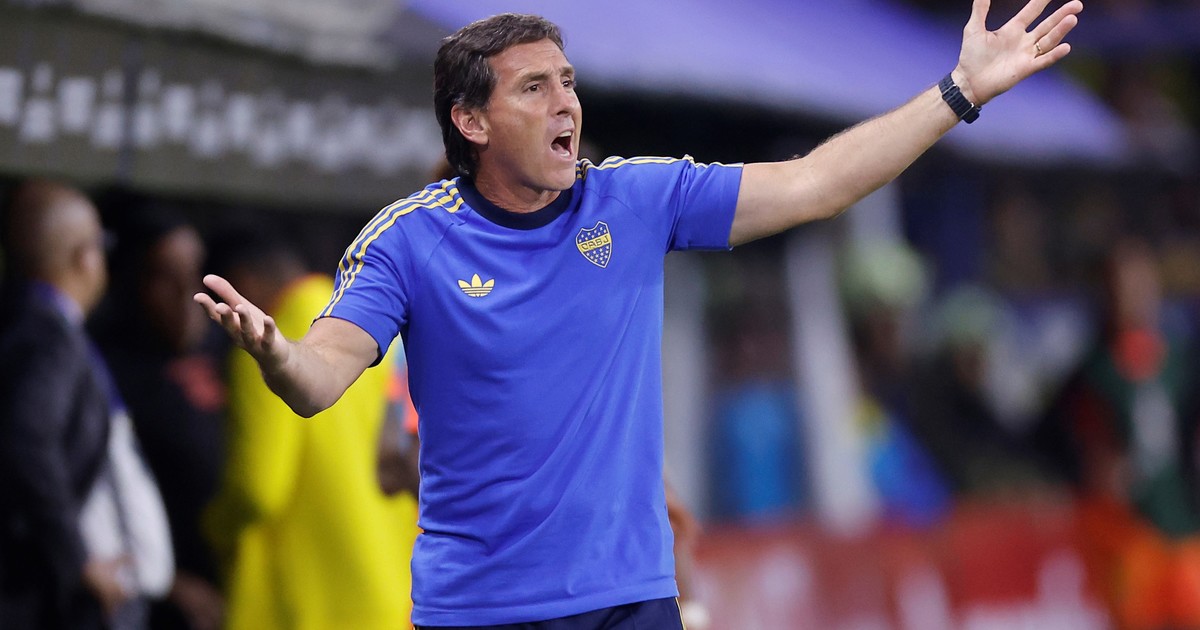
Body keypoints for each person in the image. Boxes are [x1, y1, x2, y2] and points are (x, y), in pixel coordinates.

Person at [194, 3, 1083, 627]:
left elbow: (815, 183)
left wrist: (958, 92)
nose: (566, 104)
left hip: (629, 602)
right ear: (471, 121)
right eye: (533, 88)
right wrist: (278, 355)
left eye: (568, 82)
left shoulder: (635, 200)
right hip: (479, 610)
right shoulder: (408, 239)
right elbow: (321, 379)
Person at [200, 230, 417, 630]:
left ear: (240, 284)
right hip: (394, 593)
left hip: (301, 607)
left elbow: (257, 491)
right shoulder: (373, 330)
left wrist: (212, 528)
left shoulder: (265, 346)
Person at [1039, 237, 1200, 630]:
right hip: (1127, 536)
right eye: (1122, 286)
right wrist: (1093, 468)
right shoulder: (1091, 372)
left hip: (1183, 525)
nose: (1134, 296)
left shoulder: (1180, 361)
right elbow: (1055, 442)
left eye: (1142, 283)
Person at [0, 179, 129, 628]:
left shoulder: (19, 320)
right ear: (84, 257)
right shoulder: (49, 336)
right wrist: (77, 559)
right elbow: (27, 438)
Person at [92, 209, 227, 630]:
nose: (188, 292)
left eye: (196, 272)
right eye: (167, 276)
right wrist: (167, 583)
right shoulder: (108, 370)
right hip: (154, 599)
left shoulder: (230, 351)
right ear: (132, 283)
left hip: (234, 587)